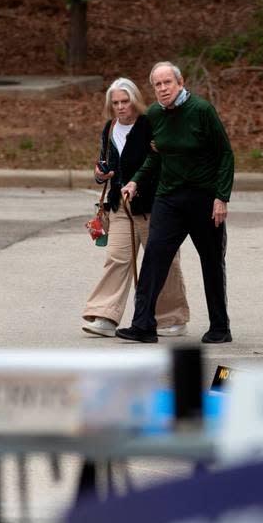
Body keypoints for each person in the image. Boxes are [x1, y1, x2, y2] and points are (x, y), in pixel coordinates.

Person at [117, 61, 234, 344]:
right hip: (168, 198)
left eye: (167, 82)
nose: (162, 89)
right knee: (154, 258)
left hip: (204, 199)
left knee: (211, 262)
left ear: (180, 83)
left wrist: (222, 197)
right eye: (157, 84)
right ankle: (143, 324)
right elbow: (156, 156)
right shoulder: (156, 114)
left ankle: (220, 327)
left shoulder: (202, 111)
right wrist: (136, 181)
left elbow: (225, 155)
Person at [81, 77, 189, 338]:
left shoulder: (150, 125)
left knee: (164, 262)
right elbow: (104, 164)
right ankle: (106, 315)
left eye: (125, 101)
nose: (120, 107)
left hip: (153, 205)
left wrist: (141, 181)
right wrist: (100, 174)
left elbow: (162, 161)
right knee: (117, 258)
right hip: (120, 206)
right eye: (115, 102)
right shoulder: (109, 129)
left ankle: (172, 319)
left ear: (135, 100)